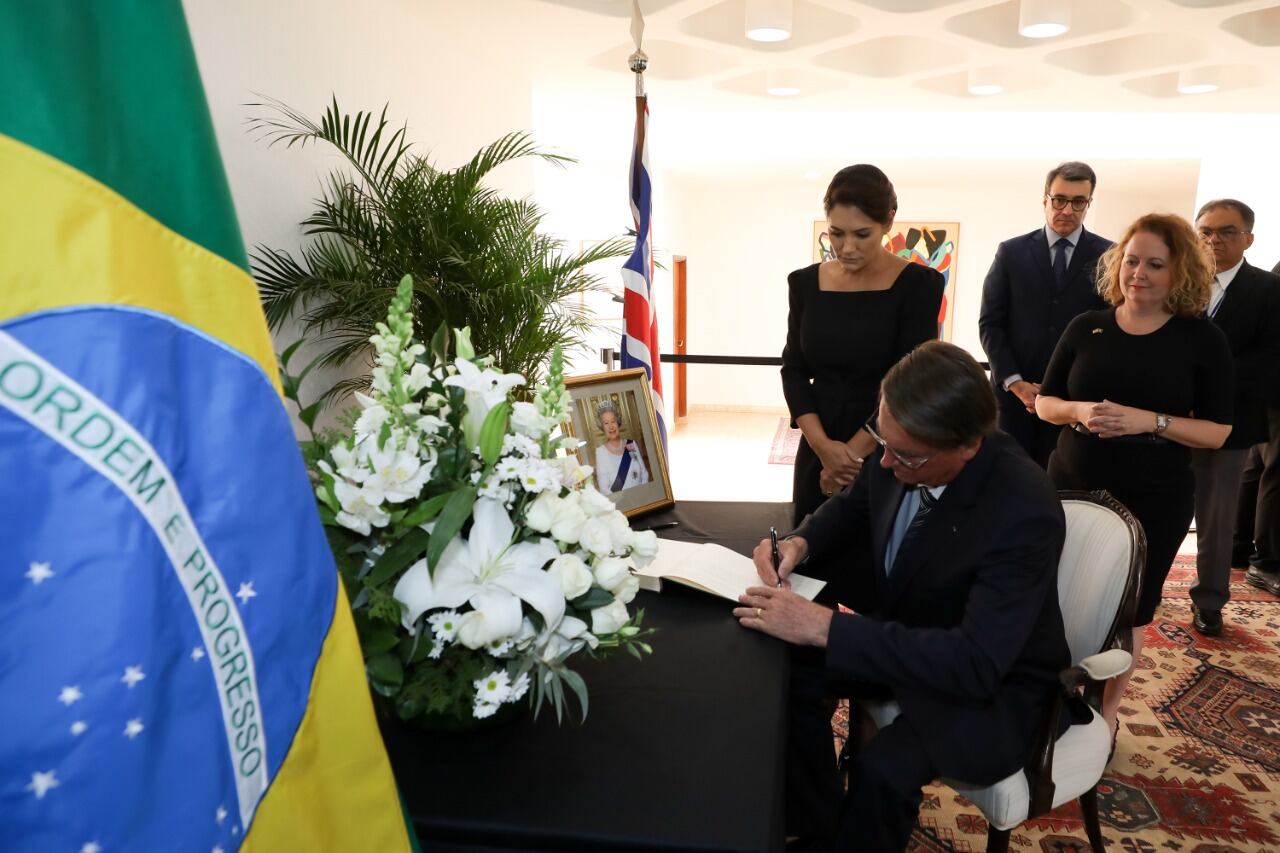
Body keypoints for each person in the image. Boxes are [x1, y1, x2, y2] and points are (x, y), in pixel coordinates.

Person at [739, 341, 1071, 853]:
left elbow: (975, 662)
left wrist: (823, 627)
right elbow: (854, 503)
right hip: (910, 637)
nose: (884, 461)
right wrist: (801, 542)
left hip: (990, 683)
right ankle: (813, 823)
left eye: (906, 455)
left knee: (883, 770)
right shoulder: (903, 441)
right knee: (784, 673)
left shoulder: (1023, 509)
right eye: (882, 440)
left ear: (967, 446)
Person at [1035, 213, 1233, 729]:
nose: (1137, 273)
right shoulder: (1087, 325)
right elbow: (1045, 403)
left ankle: (1105, 713)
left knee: (1129, 608)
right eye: (1130, 260)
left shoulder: (1202, 338)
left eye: (1154, 263)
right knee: (1051, 591)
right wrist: (1078, 411)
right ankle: (1043, 697)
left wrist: (1152, 420)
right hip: (1072, 482)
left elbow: (1217, 432)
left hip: (1155, 493)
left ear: (1179, 271)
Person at [781, 164, 944, 527]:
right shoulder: (805, 284)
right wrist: (823, 449)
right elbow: (793, 370)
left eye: (862, 234)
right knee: (807, 556)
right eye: (836, 234)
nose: (847, 247)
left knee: (871, 564)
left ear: (888, 222)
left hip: (886, 447)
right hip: (818, 447)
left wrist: (849, 458)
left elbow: (909, 385)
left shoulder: (918, 286)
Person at [1186, 200, 1280, 633]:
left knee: (1217, 518)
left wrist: (1206, 383)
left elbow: (1269, 360)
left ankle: (1209, 601)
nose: (1213, 240)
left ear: (1249, 239)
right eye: (1205, 231)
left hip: (1230, 422)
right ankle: (1135, 592)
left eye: (1226, 231)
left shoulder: (1267, 290)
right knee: (1154, 509)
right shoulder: (1177, 282)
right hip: (1163, 419)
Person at [979, 161, 1112, 467]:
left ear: (1089, 203)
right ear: (1045, 199)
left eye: (1078, 202)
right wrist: (1016, 383)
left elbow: (1110, 327)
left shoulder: (1109, 256)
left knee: (1061, 489)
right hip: (1011, 401)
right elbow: (991, 323)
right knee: (1004, 482)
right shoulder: (1011, 252)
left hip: (1074, 400)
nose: (1067, 210)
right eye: (1060, 200)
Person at [1238, 255, 1280, 598]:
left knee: (1256, 465)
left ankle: (1237, 546)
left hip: (1265, 385)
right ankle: (1266, 562)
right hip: (1272, 386)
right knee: (1275, 469)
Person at [592, 400, 649, 493]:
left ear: (618, 423)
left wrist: (642, 494)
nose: (611, 426)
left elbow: (644, 473)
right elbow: (604, 489)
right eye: (606, 423)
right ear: (602, 427)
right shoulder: (601, 452)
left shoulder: (631, 444)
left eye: (613, 421)